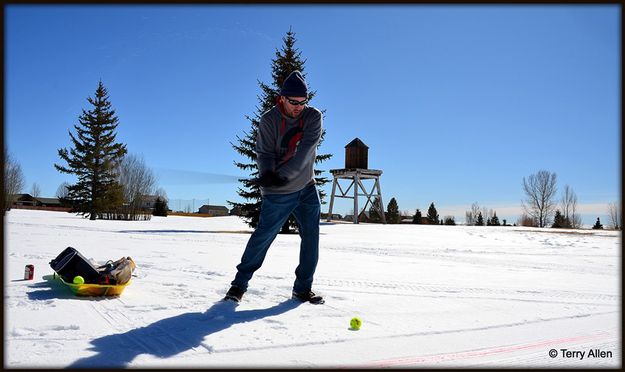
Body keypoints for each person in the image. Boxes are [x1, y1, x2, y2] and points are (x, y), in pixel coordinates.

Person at [225, 70, 324, 304]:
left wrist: (285, 174)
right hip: (279, 194)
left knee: (311, 239)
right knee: (263, 237)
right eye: (294, 102)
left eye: (303, 101)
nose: (299, 106)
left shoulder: (313, 117)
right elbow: (265, 153)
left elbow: (305, 152)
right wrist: (268, 175)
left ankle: (302, 289)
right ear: (282, 98)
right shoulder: (269, 120)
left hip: (307, 188)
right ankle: (238, 286)